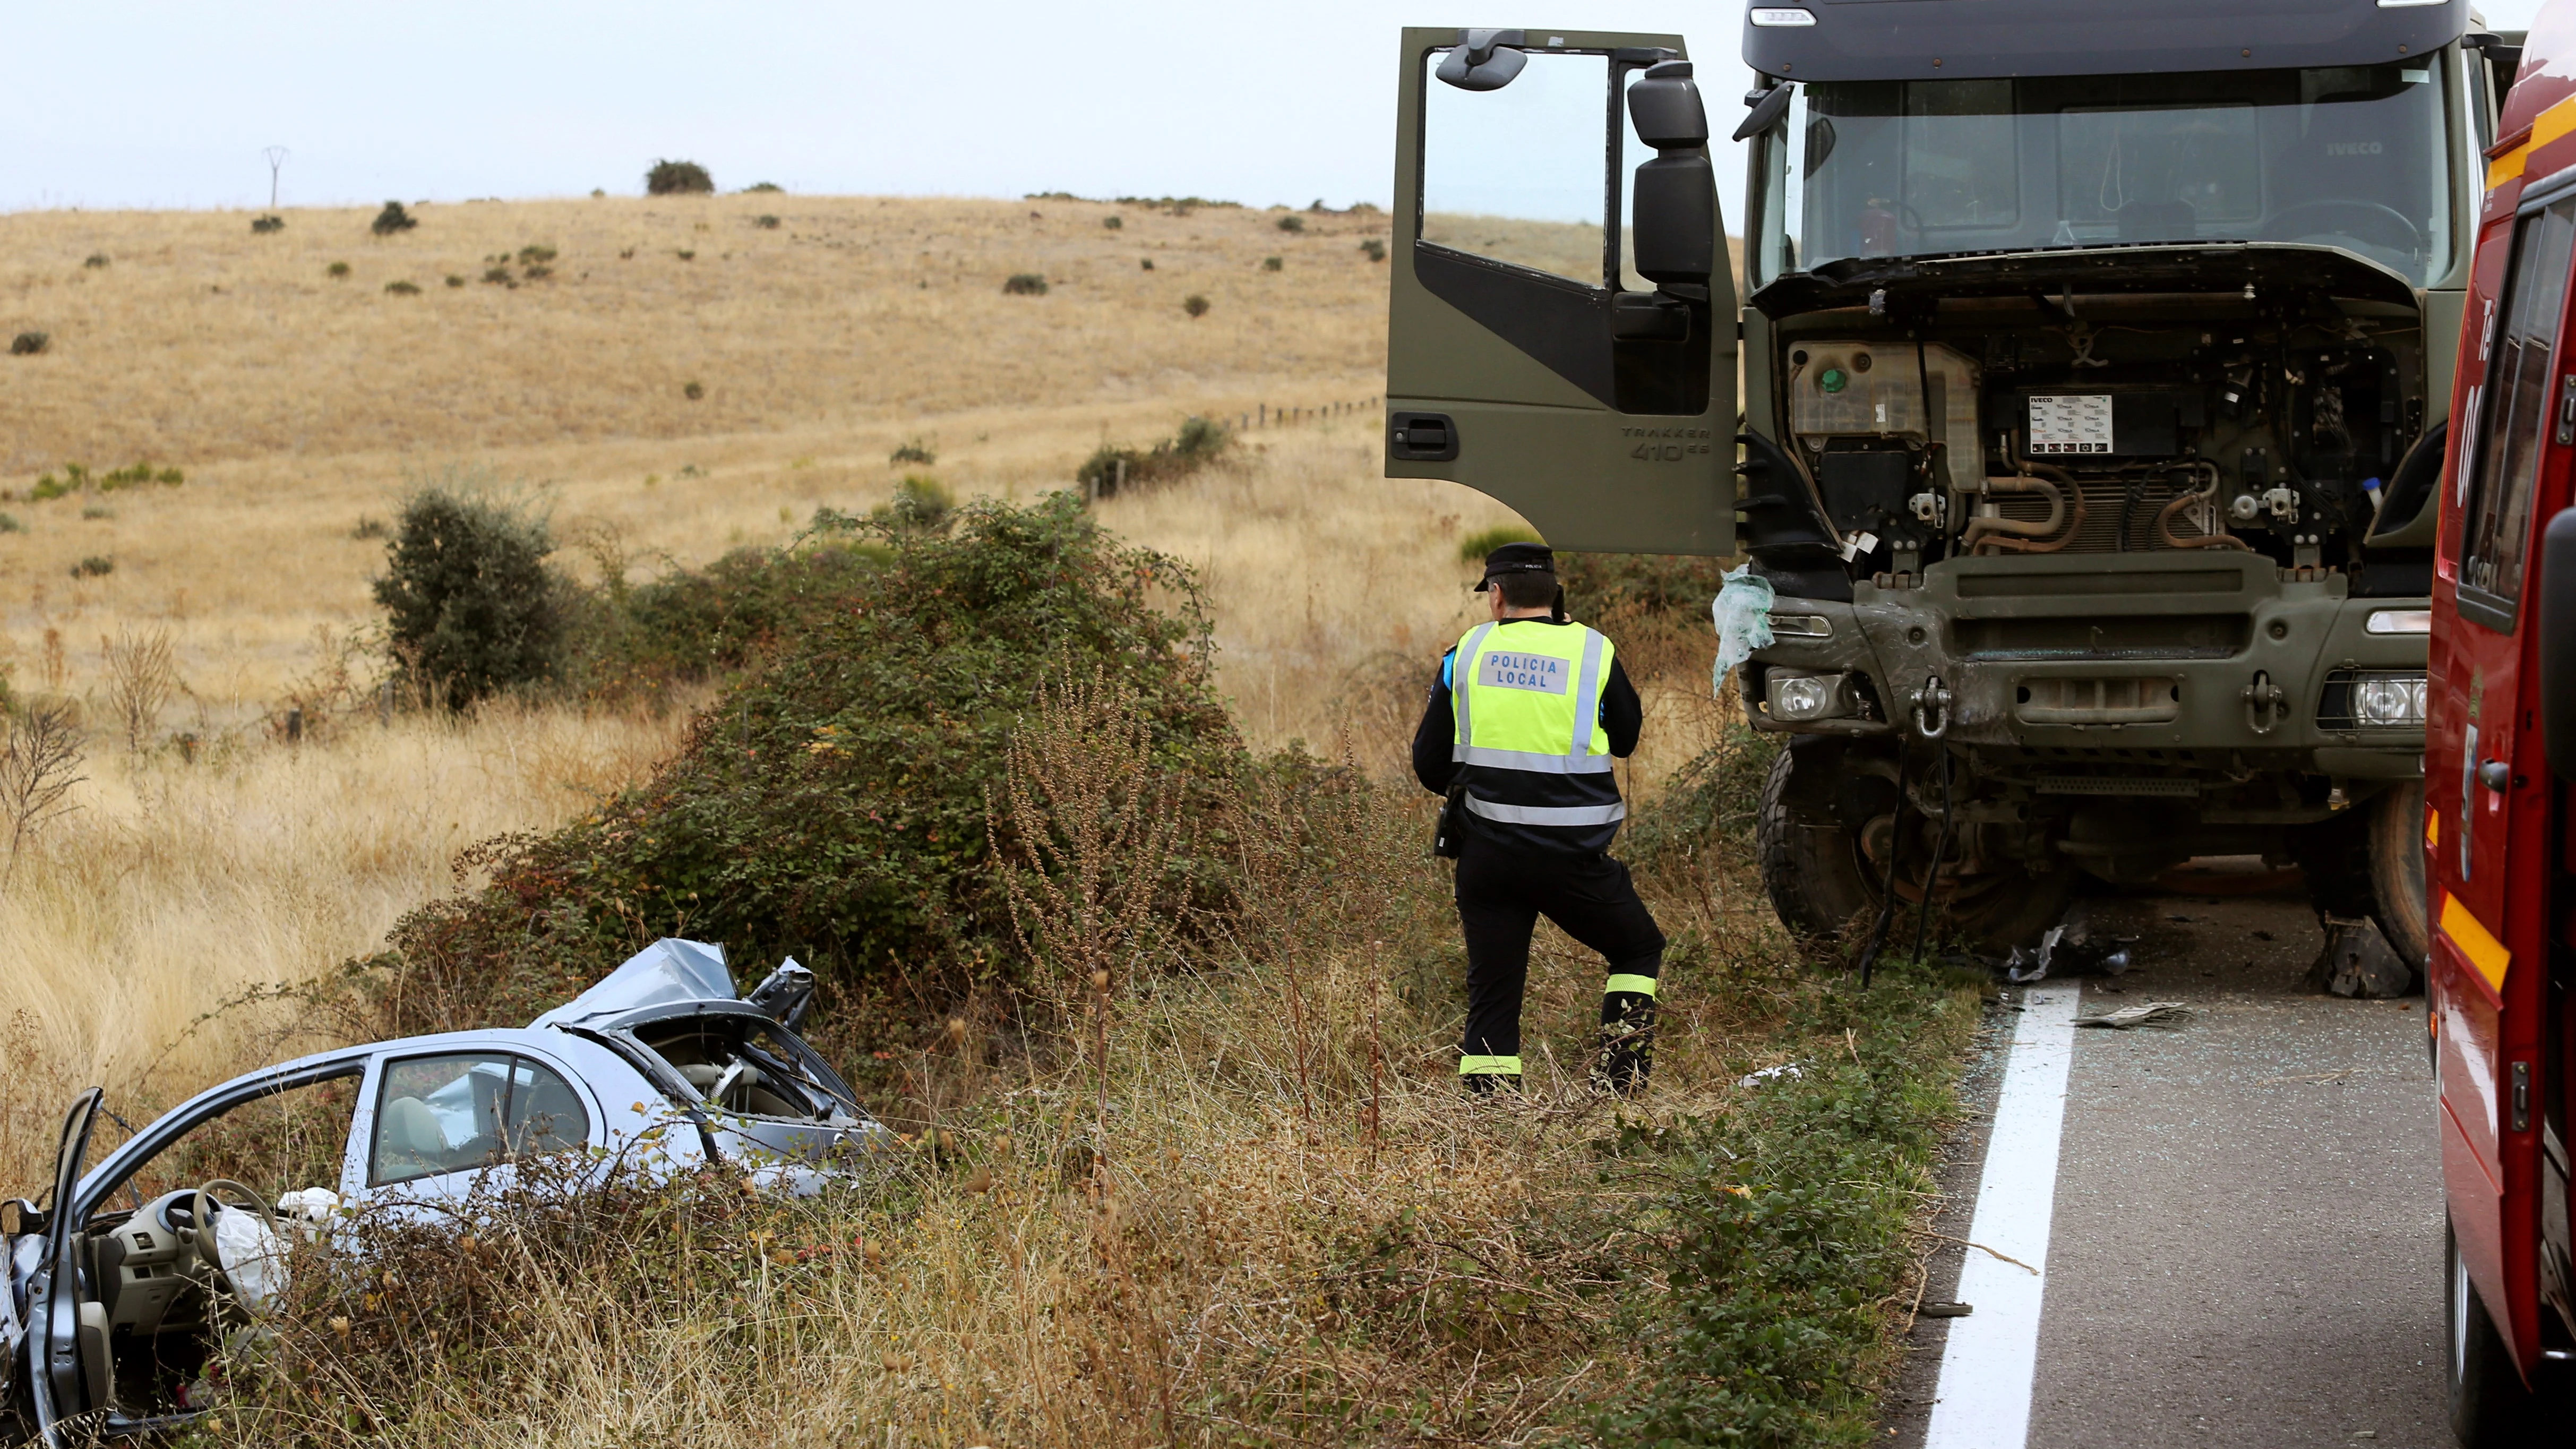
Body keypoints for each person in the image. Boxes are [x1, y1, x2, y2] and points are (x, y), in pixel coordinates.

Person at [1413, 542, 1665, 1095]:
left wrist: (1483, 786)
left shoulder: (1468, 651)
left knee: (1494, 985)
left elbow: (1428, 763)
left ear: (1496, 594)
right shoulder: (1594, 650)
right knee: (1636, 946)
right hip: (1571, 856)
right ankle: (1621, 1079)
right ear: (1555, 596)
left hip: (1487, 854)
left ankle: (1488, 1106)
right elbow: (1625, 739)